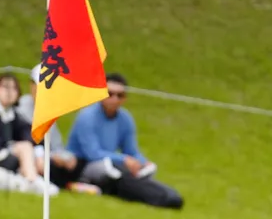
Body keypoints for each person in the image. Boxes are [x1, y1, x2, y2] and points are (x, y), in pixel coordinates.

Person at [66, 73, 184, 210]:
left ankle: (165, 195)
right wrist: (124, 160)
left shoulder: (125, 119)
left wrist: (142, 162)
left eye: (120, 95)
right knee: (111, 169)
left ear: (125, 98)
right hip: (83, 165)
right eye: (110, 94)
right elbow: (92, 153)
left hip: (112, 163)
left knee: (139, 170)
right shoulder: (87, 117)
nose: (114, 99)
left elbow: (131, 150)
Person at [17, 63, 98, 194]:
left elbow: (56, 145)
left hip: (49, 157)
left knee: (76, 162)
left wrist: (66, 157)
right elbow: (25, 140)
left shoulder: (49, 110)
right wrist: (53, 157)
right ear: (32, 86)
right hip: (29, 156)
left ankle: (72, 183)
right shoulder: (21, 108)